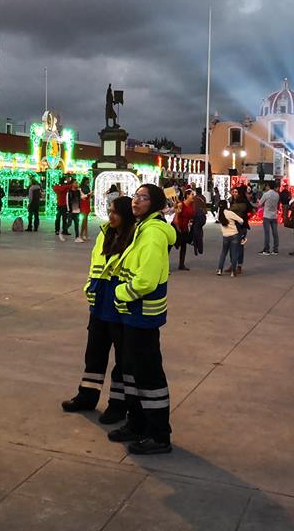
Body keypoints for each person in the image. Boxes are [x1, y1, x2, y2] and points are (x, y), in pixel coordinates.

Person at [108, 184, 176, 455]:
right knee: (131, 371)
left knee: (148, 376)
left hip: (142, 313)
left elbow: (146, 280)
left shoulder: (153, 233)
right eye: (135, 196)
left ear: (156, 203)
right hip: (132, 314)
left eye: (144, 197)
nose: (136, 201)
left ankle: (159, 434)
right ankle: (137, 423)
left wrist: (120, 292)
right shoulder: (142, 228)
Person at [62, 196, 135, 423]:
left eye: (116, 212)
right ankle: (87, 395)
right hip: (99, 303)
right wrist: (89, 288)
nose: (111, 215)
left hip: (121, 306)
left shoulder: (134, 237)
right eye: (109, 210)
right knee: (94, 354)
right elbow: (96, 265)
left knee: (122, 360)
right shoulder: (105, 233)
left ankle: (117, 405)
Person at [215, 200, 244, 277]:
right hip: (234, 235)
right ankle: (233, 272)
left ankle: (219, 270)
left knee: (223, 253)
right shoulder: (229, 213)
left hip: (225, 236)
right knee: (234, 253)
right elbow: (241, 220)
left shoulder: (219, 215)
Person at [172, 189, 195, 271]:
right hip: (177, 227)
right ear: (187, 195)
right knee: (170, 246)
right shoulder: (181, 205)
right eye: (192, 194)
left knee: (184, 246)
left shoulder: (191, 205)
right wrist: (178, 228)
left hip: (185, 228)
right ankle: (164, 266)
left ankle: (181, 264)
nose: (193, 196)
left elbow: (191, 216)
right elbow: (176, 218)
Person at [257, 180, 280, 255]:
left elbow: (260, 204)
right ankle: (275, 249)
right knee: (275, 233)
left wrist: (258, 201)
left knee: (267, 233)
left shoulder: (266, 194)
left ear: (268, 186)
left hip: (267, 215)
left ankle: (266, 249)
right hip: (274, 216)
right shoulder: (277, 195)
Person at [53, 177, 72, 241]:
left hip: (60, 205)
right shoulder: (65, 187)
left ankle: (58, 230)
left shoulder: (57, 187)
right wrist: (67, 184)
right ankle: (63, 230)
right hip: (63, 205)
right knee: (63, 218)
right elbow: (69, 187)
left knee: (59, 218)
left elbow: (56, 188)